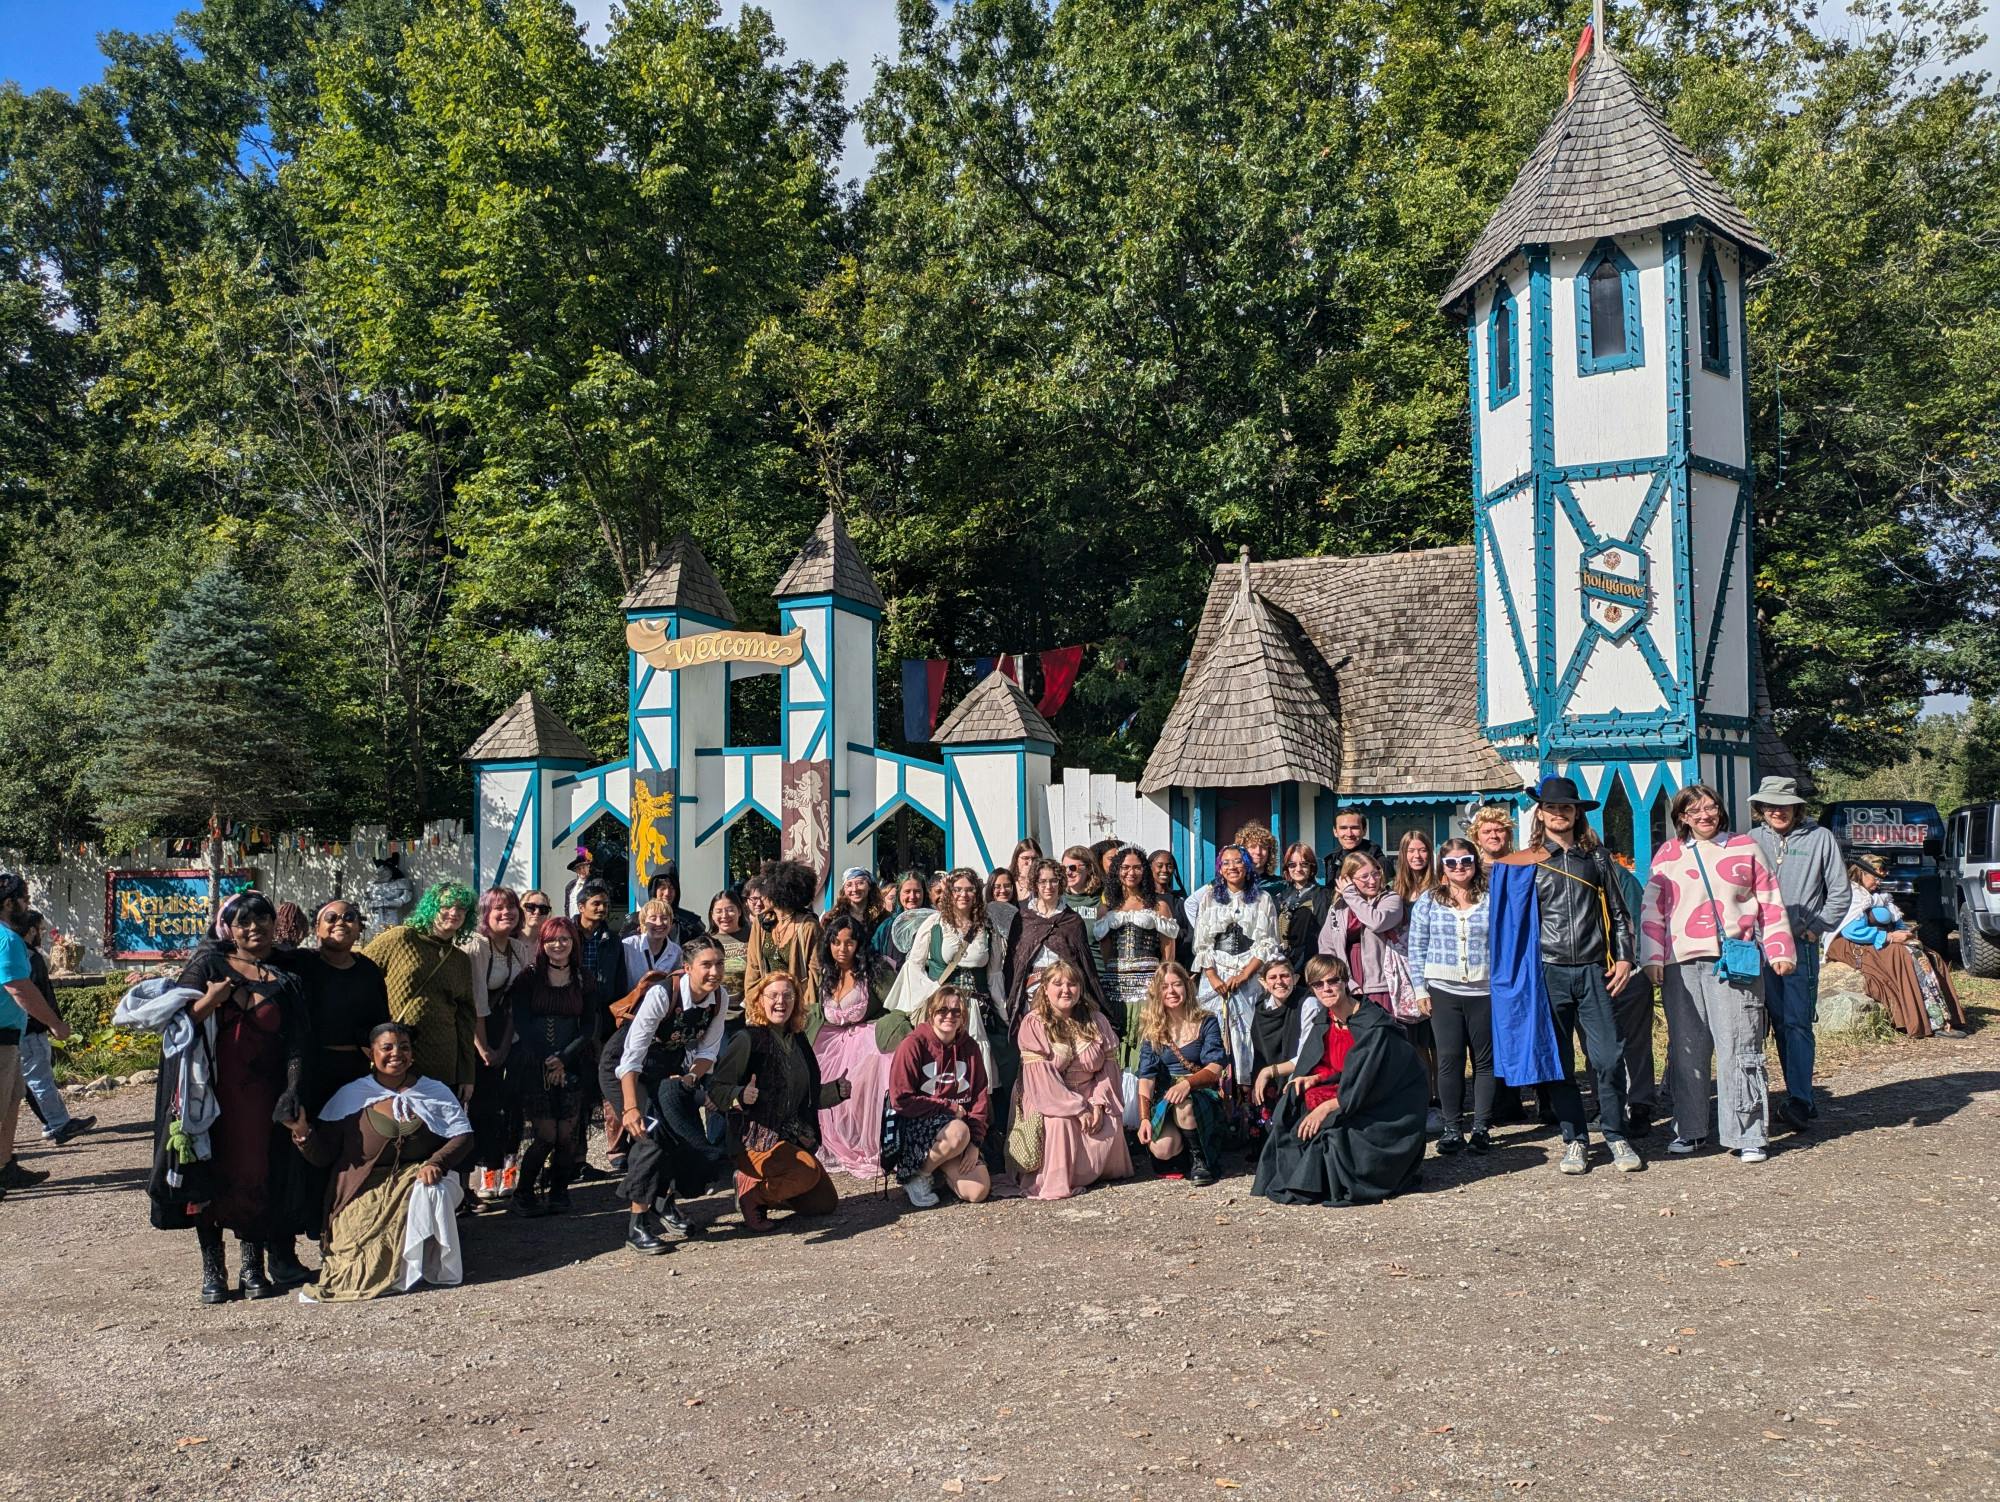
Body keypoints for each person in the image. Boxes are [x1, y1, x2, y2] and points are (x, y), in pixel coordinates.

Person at [141, 893, 312, 1301]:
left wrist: (292, 1090)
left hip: (260, 1098)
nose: (254, 928)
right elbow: (172, 1023)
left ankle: (253, 1267)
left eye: (262, 919)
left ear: (275, 923)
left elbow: (297, 1043)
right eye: (242, 922)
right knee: (208, 1173)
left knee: (255, 1173)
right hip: (209, 1093)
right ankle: (213, 1271)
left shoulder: (286, 976)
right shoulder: (207, 966)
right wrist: (210, 1000)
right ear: (228, 929)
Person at [1496, 776, 1644, 1175]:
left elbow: (1619, 913)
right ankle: (1575, 1138)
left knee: (1608, 1058)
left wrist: (1626, 958)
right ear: (1540, 813)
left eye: (1566, 807)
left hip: (1596, 971)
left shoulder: (1596, 860)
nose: (1559, 813)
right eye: (1551, 807)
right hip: (1549, 972)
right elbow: (1510, 925)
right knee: (1559, 1062)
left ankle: (1615, 1134)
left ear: (1576, 812)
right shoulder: (1525, 865)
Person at [1640, 784, 1796, 1163]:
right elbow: (1652, 909)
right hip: (1681, 963)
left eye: (1710, 808)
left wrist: (1779, 949)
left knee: (1740, 1046)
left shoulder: (1744, 847)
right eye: (1695, 811)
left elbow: (1770, 902)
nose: (1705, 815)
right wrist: (1651, 957)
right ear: (1682, 817)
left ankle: (1747, 1133)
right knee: (1687, 1050)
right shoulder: (1668, 854)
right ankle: (1690, 1130)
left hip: (1736, 960)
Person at [287, 1022, 473, 1301]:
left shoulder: (433, 1091)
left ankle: (431, 1269)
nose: (396, 1053)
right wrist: (303, 1134)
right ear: (370, 1053)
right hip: (361, 1187)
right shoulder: (351, 1096)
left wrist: (437, 1162)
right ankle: (391, 1274)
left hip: (416, 1178)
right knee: (353, 1257)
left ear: (412, 1054)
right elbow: (323, 1155)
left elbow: (463, 1136)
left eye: (404, 1047)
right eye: (386, 1047)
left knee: (431, 1191)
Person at [1251, 955, 1428, 1207]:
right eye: (1318, 984)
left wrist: (1326, 1107)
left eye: (1333, 981)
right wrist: (1312, 1077)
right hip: (1349, 1092)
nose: (1326, 989)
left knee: (1332, 1133)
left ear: (1345, 982)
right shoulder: (1326, 1019)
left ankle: (1338, 1179)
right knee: (1291, 1103)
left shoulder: (1373, 1026)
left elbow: (1370, 1082)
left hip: (1386, 1108)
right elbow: (1332, 1066)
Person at [612, 935, 732, 1251]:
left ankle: (665, 1203)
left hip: (669, 1071)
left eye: (719, 964)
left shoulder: (719, 998)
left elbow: (708, 1052)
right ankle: (637, 1226)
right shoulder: (662, 994)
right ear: (687, 967)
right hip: (626, 1071)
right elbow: (630, 1057)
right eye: (706, 965)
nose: (714, 972)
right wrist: (629, 1109)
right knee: (650, 1139)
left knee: (679, 1137)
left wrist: (690, 1080)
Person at [1747, 777, 1852, 1128]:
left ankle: (1800, 1099)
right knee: (1759, 1023)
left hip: (1798, 945)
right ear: (1760, 808)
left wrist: (1816, 926)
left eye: (1784, 804)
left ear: (1796, 806)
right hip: (1756, 947)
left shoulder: (1820, 838)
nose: (1777, 811)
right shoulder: (1750, 840)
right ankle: (1762, 1099)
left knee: (1796, 1022)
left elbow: (1839, 891)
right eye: (1770, 805)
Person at [710, 972, 851, 1231]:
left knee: (823, 1203)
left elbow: (805, 1096)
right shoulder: (747, 1039)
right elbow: (716, 1090)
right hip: (753, 1139)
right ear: (759, 1001)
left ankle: (766, 1186)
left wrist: (836, 1091)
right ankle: (751, 1195)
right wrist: (740, 1095)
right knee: (805, 1171)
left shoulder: (798, 1039)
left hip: (789, 1138)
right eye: (773, 995)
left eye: (788, 995)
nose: (781, 1001)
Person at [1009, 960, 1132, 1200]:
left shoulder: (1097, 1021)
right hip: (1046, 1096)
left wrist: (1097, 1103)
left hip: (1091, 1092)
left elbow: (1108, 1070)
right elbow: (1041, 1078)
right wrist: (1077, 1108)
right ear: (1045, 989)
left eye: (1072, 984)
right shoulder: (1034, 1023)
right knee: (1060, 1123)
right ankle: (1056, 1180)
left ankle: (1095, 1172)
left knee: (1108, 1118)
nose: (1066, 990)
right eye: (1058, 984)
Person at [1407, 839, 1494, 1153]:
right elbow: (1415, 950)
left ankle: (1482, 1127)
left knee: (1484, 1061)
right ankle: (1452, 1128)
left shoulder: (1490, 898)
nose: (1460, 867)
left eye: (1466, 860)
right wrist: (1419, 989)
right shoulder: (1428, 901)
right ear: (1442, 866)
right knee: (1449, 1059)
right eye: (1452, 862)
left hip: (1485, 990)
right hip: (1443, 990)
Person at [502, 917, 592, 1215]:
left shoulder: (583, 978)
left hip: (573, 1061)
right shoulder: (528, 978)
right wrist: (547, 1057)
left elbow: (589, 1026)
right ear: (543, 943)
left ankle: (558, 1190)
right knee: (545, 1134)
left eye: (565, 939)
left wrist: (564, 1057)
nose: (558, 944)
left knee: (567, 1134)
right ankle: (524, 1193)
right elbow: (524, 1022)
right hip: (533, 1062)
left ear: (573, 943)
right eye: (552, 939)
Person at [1827, 858, 1968, 1039]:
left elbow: (1896, 922)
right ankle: (1929, 1021)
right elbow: (1851, 931)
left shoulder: (1879, 897)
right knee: (1905, 956)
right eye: (1875, 877)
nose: (1879, 881)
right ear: (1861, 874)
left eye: (1881, 878)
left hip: (1880, 938)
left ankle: (1945, 1017)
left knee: (1930, 955)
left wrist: (1905, 934)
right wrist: (1890, 937)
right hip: (1853, 943)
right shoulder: (1852, 896)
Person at [362, 881, 478, 1099]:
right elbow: (358, 974)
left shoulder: (460, 960)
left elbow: (466, 1019)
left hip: (442, 1059)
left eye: (461, 908)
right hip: (396, 1054)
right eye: (446, 906)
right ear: (431, 907)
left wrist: (467, 1074)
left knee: (433, 1130)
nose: (454, 912)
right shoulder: (401, 938)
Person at [279, 899, 392, 1117]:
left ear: (359, 929)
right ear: (316, 929)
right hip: (307, 1070)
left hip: (355, 1072)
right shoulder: (300, 963)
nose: (340, 922)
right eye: (331, 918)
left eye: (349, 918)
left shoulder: (368, 970)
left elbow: (380, 1023)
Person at [886, 986, 992, 1208]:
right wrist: (948, 1107)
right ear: (931, 1013)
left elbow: (980, 1096)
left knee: (977, 1191)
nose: (949, 1016)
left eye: (956, 1011)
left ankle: (940, 1170)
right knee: (957, 1132)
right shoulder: (913, 1044)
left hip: (958, 1131)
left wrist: (975, 1143)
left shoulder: (970, 1047)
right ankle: (919, 1174)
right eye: (942, 1010)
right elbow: (900, 1099)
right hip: (920, 1127)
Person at [0, 876, 73, 1196]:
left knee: (12, 1100)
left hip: (9, 1036)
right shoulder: (7, 939)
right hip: (1, 1036)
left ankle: (4, 1167)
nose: (27, 903)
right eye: (23, 898)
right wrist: (55, 1023)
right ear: (8, 902)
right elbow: (19, 988)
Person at [806, 914, 892, 1179]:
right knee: (821, 1080)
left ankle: (871, 1144)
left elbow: (898, 1003)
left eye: (849, 943)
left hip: (866, 1036)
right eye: (835, 942)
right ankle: (838, 1143)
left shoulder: (875, 970)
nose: (842, 949)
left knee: (871, 1070)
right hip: (832, 1041)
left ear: (859, 944)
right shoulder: (826, 974)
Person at [1191, 845, 1279, 1087]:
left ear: (1247, 866)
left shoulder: (1263, 899)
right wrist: (1213, 978)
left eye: (1238, 862)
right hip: (1216, 970)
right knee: (1213, 1029)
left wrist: (1243, 975)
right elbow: (1202, 943)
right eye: (1226, 863)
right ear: (1220, 869)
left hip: (1248, 970)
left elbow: (1267, 943)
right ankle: (1214, 1088)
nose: (1232, 867)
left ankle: (1246, 1093)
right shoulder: (1209, 897)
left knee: (1246, 1032)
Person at [1134, 962, 1228, 1186]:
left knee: (1184, 1105)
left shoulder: (1207, 1021)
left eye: (1176, 984)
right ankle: (1183, 1149)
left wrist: (1187, 1084)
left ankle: (1200, 1159)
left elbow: (1215, 1067)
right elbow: (1146, 1077)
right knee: (1162, 1149)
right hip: (1166, 1098)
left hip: (1201, 1093)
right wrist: (1144, 1118)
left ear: (1187, 986)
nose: (1171, 992)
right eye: (1165, 987)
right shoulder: (1154, 1028)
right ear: (1158, 992)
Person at [462, 889, 530, 1203]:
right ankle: (486, 1166)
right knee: (483, 1105)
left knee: (514, 1100)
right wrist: (484, 1047)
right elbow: (476, 1000)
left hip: (508, 1031)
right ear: (486, 913)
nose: (507, 913)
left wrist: (504, 1045)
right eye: (499, 908)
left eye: (512, 908)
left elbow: (519, 1002)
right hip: (477, 1031)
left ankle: (509, 1162)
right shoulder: (477, 947)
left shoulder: (520, 949)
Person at [12, 907, 90, 1149]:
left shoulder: (16, 954)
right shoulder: (30, 958)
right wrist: (53, 1022)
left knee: (24, 1083)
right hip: (32, 1028)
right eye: (41, 930)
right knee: (39, 1079)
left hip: (18, 1029)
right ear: (31, 930)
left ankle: (52, 1122)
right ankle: (57, 1123)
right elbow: (35, 994)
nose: (43, 935)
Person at [1004, 857, 1108, 1033]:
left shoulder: (1072, 921)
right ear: (1035, 884)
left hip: (1065, 993)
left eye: (1053, 881)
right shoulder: (1023, 919)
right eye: (1042, 881)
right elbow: (1014, 963)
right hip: (1032, 994)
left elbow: (1084, 964)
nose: (1048, 886)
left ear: (1060, 883)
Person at [1092, 845, 1179, 1056]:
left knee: (1148, 1038)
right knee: (1117, 1041)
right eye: (1125, 867)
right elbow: (1106, 949)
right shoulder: (1107, 907)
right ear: (1117, 870)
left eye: (1137, 868)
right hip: (1116, 984)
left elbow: (1168, 948)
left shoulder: (1158, 906)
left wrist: (1164, 981)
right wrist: (1113, 973)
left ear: (1145, 871)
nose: (1131, 873)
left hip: (1148, 983)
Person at [1317, 851, 1408, 1018]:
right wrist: (1343, 980)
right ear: (1349, 880)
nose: (1372, 881)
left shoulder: (1390, 899)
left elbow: (1377, 922)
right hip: (1348, 984)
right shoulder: (1339, 907)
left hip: (1381, 984)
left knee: (1381, 1036)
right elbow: (1326, 947)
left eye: (1375, 874)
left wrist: (1350, 895)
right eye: (1364, 877)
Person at [743, 860, 824, 1011]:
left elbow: (815, 976)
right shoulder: (761, 923)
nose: (761, 897)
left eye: (765, 891)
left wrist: (804, 1013)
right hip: (765, 1007)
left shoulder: (808, 927)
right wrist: (753, 1005)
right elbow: (753, 970)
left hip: (798, 1008)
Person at [1245, 955, 1305, 1134]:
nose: (1279, 982)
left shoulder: (1306, 1003)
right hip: (1269, 1076)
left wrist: (1271, 1071)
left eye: (1285, 976)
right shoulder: (1261, 1009)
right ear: (1263, 982)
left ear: (1295, 978)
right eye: (1272, 977)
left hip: (1297, 1073)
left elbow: (1307, 1052)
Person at [1274, 842, 1330, 978]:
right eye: (1292, 865)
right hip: (1285, 964)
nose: (1298, 869)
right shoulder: (1280, 897)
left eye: (1304, 864)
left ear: (1312, 867)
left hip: (1314, 962)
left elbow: (1324, 931)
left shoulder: (1324, 895)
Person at [622, 899, 686, 991]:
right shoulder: (628, 946)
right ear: (644, 922)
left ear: (671, 922)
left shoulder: (676, 952)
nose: (659, 923)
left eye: (664, 918)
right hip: (632, 1003)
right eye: (653, 918)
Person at [873, 872, 933, 969]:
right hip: (893, 982)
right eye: (907, 891)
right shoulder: (887, 926)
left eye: (917, 891)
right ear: (899, 894)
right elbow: (873, 954)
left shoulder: (934, 921)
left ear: (924, 893)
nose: (912, 896)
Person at [707, 890, 751, 1004]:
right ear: (712, 914)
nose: (724, 915)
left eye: (730, 910)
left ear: (740, 911)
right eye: (719, 911)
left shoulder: (753, 936)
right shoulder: (707, 942)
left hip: (747, 1012)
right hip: (715, 1010)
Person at [832, 867, 890, 945]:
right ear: (844, 890)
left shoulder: (883, 917)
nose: (854, 889)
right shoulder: (833, 917)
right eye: (849, 885)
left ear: (869, 886)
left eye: (860, 883)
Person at [1325, 808, 1386, 880]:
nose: (1349, 834)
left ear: (1364, 830)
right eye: (1343, 828)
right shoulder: (1332, 860)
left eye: (1354, 828)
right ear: (1335, 832)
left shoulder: (1378, 860)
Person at [1232, 822, 1286, 899]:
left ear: (1269, 852)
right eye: (1253, 847)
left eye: (1263, 847)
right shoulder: (1230, 883)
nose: (1258, 852)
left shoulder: (1280, 885)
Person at [365, 853, 416, 930]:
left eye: (384, 869)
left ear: (390, 871)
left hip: (393, 918)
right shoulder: (372, 885)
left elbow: (407, 897)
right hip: (377, 918)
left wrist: (390, 903)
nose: (379, 872)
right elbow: (366, 901)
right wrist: (374, 904)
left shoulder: (401, 883)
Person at [1151, 849, 1191, 941]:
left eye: (1169, 866)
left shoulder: (1181, 899)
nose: (1164, 870)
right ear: (1150, 868)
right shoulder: (1145, 898)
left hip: (1180, 953)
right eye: (1160, 866)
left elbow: (1190, 931)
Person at [1060, 845, 1105, 918]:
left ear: (1089, 868)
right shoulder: (1058, 898)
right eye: (1063, 868)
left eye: (1073, 867)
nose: (1068, 872)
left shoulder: (1103, 896)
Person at [1394, 830, 1436, 906]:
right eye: (1411, 851)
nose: (1417, 855)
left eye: (1422, 850)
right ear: (1403, 854)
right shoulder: (1392, 888)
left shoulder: (1438, 888)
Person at [562, 849, 594, 918]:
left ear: (588, 867)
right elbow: (567, 905)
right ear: (576, 871)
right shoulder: (570, 885)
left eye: (584, 867)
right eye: (579, 869)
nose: (582, 870)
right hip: (572, 924)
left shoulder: (596, 882)